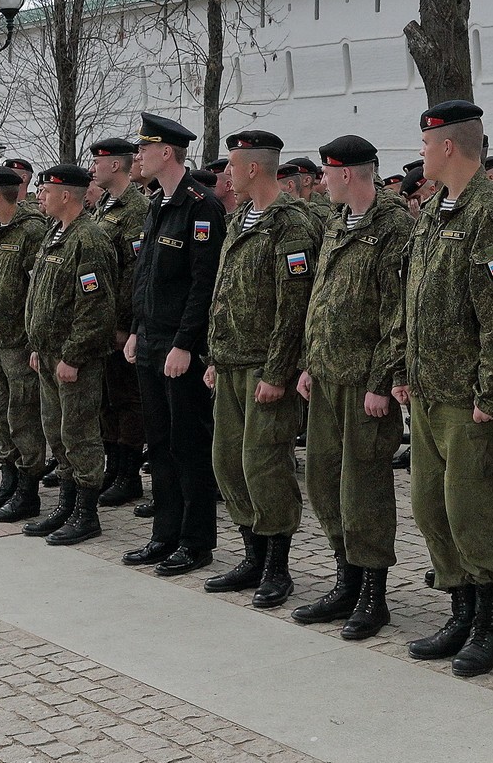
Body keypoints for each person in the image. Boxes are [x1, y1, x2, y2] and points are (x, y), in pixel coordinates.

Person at [398, 100, 493, 678]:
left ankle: (489, 624)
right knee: (432, 508)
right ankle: (459, 610)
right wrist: (406, 371)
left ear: (448, 147)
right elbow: (419, 303)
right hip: (431, 390)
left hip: (470, 398)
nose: (422, 154)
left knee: (473, 509)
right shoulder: (437, 211)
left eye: (426, 145)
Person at [293, 134, 409, 639]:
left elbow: (396, 314)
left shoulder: (394, 227)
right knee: (324, 479)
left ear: (348, 173)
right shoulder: (338, 223)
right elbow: (321, 299)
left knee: (364, 487)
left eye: (326, 172)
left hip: (365, 383)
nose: (321, 182)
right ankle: (345, 577)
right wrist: (308, 363)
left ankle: (372, 592)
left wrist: (382, 381)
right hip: (327, 377)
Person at [202, 129, 322, 608]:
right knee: (228, 461)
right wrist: (213, 356)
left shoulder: (290, 224)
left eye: (232, 165)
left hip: (263, 367)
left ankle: (276, 563)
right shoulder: (240, 220)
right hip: (230, 362)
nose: (227, 174)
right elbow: (225, 291)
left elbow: (294, 308)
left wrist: (277, 372)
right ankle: (252, 552)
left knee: (264, 464)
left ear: (253, 168)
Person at [122, 113, 228, 577]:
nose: (137, 157)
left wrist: (186, 343)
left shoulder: (199, 205)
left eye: (143, 149)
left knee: (188, 444)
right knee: (159, 444)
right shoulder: (158, 203)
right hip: (149, 341)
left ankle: (195, 540)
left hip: (179, 346)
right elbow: (146, 275)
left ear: (166, 152)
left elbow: (203, 284)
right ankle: (163, 534)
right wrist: (134, 330)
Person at [21, 164, 121, 545]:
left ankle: (86, 511)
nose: (41, 196)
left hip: (73, 358)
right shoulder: (54, 234)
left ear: (67, 195)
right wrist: (36, 347)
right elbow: (39, 296)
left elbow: (95, 308)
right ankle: (65, 503)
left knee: (78, 432)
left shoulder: (89, 239)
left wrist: (74, 356)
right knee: (55, 429)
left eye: (46, 190)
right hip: (47, 353)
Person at [0, 167, 52, 522]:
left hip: (19, 344)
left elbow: (37, 293)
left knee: (23, 419)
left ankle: (27, 490)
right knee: (0, 416)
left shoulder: (31, 231)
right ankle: (7, 483)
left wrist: (32, 340)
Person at [86, 138, 151, 508]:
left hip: (120, 327)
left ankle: (128, 473)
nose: (93, 167)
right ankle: (112, 467)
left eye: (99, 160)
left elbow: (134, 273)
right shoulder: (104, 209)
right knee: (107, 399)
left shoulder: (137, 209)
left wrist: (124, 323)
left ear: (116, 165)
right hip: (101, 325)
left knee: (128, 399)